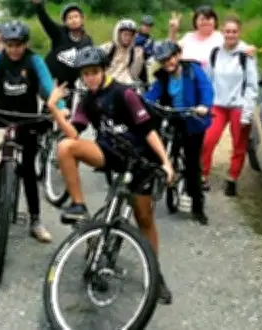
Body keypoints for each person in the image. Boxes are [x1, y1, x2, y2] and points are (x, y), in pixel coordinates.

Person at [46, 46, 174, 304]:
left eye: (94, 72)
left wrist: (166, 162)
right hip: (110, 154)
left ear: (103, 70)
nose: (90, 78)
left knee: (144, 219)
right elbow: (74, 134)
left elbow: (148, 130)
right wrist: (53, 106)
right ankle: (79, 205)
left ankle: (155, 273)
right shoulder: (88, 100)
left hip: (139, 160)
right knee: (65, 147)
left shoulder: (124, 93)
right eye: (85, 74)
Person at [0, 21, 65, 243]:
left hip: (27, 117)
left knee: (29, 169)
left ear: (26, 43)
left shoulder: (34, 61)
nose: (13, 49)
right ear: (4, 43)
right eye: (10, 44)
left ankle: (36, 220)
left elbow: (49, 89)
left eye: (18, 45)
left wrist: (60, 109)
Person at [145, 41, 213, 224]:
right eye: (164, 61)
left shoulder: (192, 70)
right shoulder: (163, 77)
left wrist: (205, 106)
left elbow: (206, 89)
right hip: (173, 119)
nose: (168, 63)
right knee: (162, 151)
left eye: (171, 58)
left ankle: (198, 208)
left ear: (178, 55)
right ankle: (167, 174)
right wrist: (143, 102)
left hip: (193, 121)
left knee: (192, 165)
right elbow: (152, 94)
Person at [201, 16, 259, 196]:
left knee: (239, 145)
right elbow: (207, 79)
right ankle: (203, 176)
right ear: (222, 32)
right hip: (218, 105)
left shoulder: (246, 54)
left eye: (234, 31)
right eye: (227, 31)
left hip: (238, 106)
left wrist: (247, 112)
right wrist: (205, 103)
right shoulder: (215, 53)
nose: (230, 35)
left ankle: (232, 178)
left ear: (239, 33)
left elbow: (251, 85)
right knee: (208, 141)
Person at [28, 0, 93, 106]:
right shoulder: (59, 33)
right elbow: (45, 20)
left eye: (76, 17)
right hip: (51, 80)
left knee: (65, 115)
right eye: (69, 18)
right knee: (49, 111)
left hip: (70, 84)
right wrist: (37, 2)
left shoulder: (87, 41)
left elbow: (88, 63)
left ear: (82, 19)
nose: (73, 20)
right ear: (65, 21)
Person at [169, 6, 255, 77]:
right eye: (202, 19)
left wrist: (248, 49)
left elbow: (237, 45)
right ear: (196, 22)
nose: (205, 22)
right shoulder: (188, 37)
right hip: (188, 81)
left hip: (212, 82)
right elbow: (171, 50)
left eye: (209, 19)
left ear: (215, 21)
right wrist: (173, 31)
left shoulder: (220, 37)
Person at [99, 18, 145, 86]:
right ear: (118, 34)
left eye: (131, 35)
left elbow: (134, 75)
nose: (128, 38)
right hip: (106, 84)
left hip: (125, 86)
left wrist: (138, 59)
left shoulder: (134, 52)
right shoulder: (107, 48)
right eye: (125, 34)